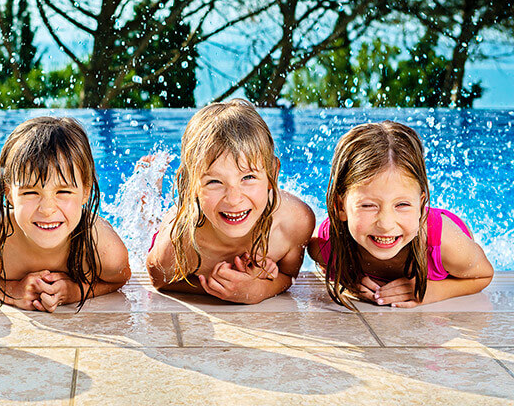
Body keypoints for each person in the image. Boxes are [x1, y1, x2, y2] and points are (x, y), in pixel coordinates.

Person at [308, 121, 494, 308]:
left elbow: (484, 274)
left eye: (402, 204)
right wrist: (349, 283)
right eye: (368, 205)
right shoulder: (324, 245)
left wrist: (432, 291)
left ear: (421, 205)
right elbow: (328, 267)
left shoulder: (445, 243)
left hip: (442, 233)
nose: (386, 224)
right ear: (340, 207)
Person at [146, 99, 314, 304]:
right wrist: (218, 286)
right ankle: (149, 188)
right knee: (152, 224)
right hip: (188, 218)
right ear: (192, 186)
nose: (234, 199)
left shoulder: (295, 222)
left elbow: (289, 276)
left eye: (248, 178)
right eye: (214, 182)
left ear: (272, 174)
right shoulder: (179, 243)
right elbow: (159, 281)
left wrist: (258, 289)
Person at [0, 116, 131, 311]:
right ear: (9, 193)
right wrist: (11, 291)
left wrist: (75, 291)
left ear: (86, 191)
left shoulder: (103, 245)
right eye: (30, 192)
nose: (47, 209)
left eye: (63, 191)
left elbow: (120, 278)